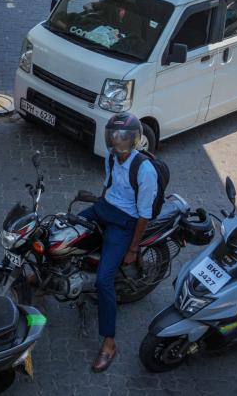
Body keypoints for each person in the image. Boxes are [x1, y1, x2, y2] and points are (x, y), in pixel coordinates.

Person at [80, 113, 156, 373]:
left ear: (133, 139)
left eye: (123, 136)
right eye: (114, 134)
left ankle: (109, 343)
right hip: (105, 208)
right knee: (65, 230)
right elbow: (108, 186)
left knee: (104, 280)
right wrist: (96, 210)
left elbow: (144, 214)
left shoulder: (145, 169)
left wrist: (133, 248)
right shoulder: (111, 157)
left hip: (125, 222)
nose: (117, 139)